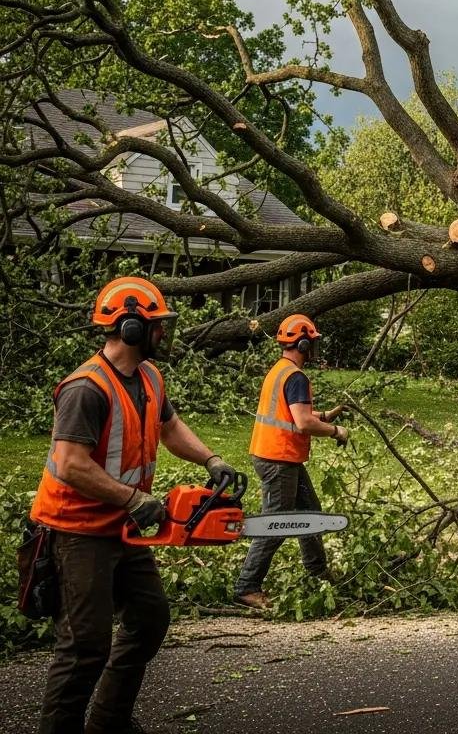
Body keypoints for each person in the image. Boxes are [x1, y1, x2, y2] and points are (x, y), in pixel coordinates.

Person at [31, 276, 240, 734]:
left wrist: (212, 458)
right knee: (85, 646)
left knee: (148, 620)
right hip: (77, 530)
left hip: (122, 526)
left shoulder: (148, 376)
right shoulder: (86, 389)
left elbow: (170, 426)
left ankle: (108, 721)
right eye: (157, 325)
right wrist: (134, 498)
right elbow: (69, 464)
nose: (163, 333)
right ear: (130, 328)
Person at [234, 313, 348, 609]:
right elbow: (301, 424)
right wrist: (336, 431)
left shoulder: (279, 371)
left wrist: (323, 416)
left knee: (311, 512)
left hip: (279, 455)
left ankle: (317, 573)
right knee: (277, 523)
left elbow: (291, 414)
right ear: (303, 343)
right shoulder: (296, 376)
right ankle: (247, 586)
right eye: (311, 343)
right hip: (278, 458)